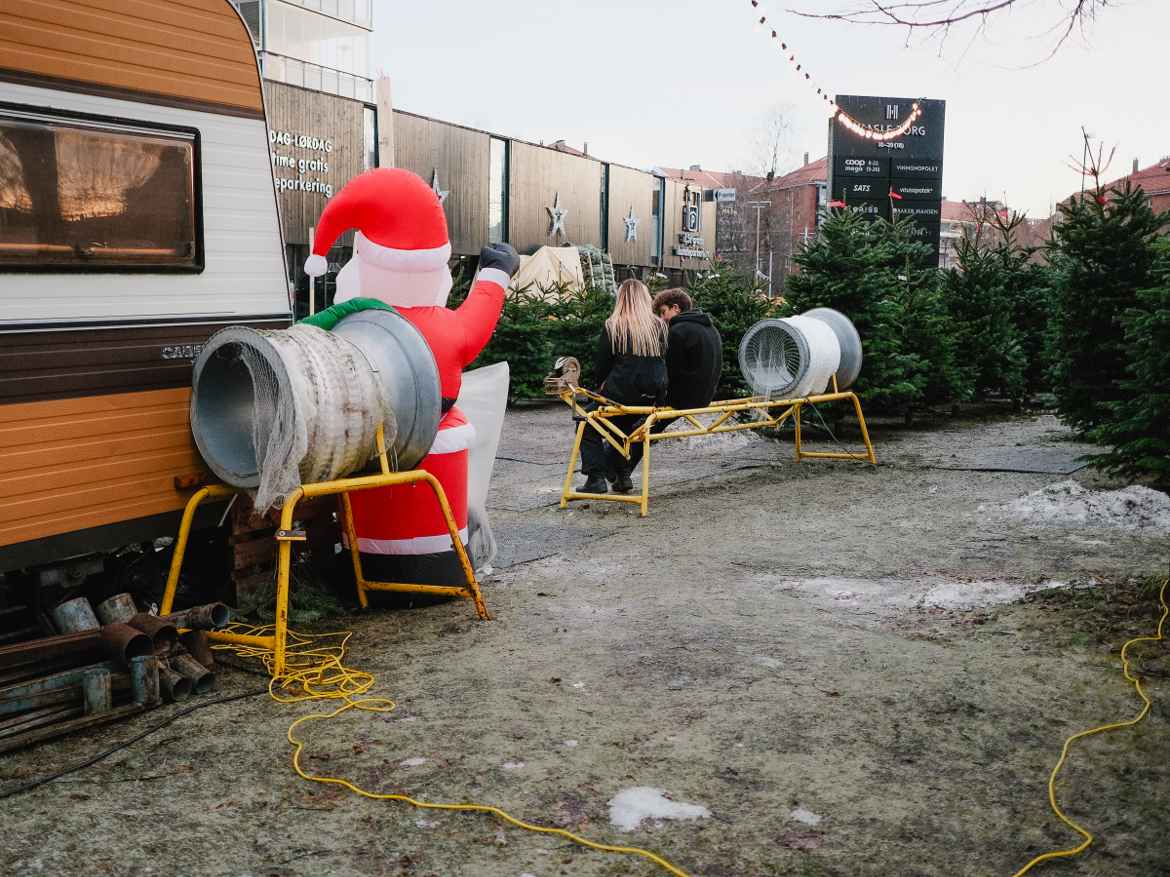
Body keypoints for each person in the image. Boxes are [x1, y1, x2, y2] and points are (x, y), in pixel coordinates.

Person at [577, 279, 667, 495]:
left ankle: (595, 478)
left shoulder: (613, 325)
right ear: (645, 299)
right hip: (650, 395)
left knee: (586, 422)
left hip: (620, 394)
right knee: (622, 427)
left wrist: (598, 390)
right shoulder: (659, 326)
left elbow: (602, 366)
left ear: (621, 299)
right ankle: (623, 476)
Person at [622, 287, 723, 476]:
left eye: (663, 312)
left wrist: (656, 400)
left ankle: (618, 468)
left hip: (683, 399)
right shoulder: (710, 328)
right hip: (705, 395)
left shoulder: (677, 331)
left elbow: (669, 373)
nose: (662, 319)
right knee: (648, 427)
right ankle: (622, 471)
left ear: (675, 308)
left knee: (641, 426)